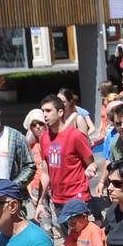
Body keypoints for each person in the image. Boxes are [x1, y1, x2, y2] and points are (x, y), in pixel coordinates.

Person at [35, 94, 95, 224]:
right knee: (68, 240)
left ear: (60, 112)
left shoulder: (75, 135)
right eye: (43, 111)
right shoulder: (44, 138)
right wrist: (40, 202)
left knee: (80, 239)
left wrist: (91, 169)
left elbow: (91, 162)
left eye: (48, 110)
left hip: (77, 196)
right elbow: (46, 173)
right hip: (57, 199)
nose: (44, 115)